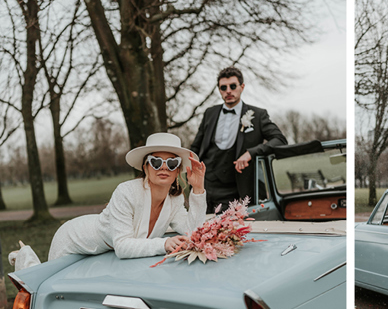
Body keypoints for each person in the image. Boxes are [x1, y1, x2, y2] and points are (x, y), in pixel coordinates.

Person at [10, 133, 207, 270]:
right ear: (146, 167)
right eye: (156, 161)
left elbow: (193, 231)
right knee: (45, 281)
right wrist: (164, 244)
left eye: (172, 163)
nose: (163, 167)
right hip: (74, 239)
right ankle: (23, 257)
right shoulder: (126, 192)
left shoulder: (175, 199)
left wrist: (197, 189)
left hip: (103, 252)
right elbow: (122, 246)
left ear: (178, 170)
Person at [191, 66, 288, 213]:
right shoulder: (209, 113)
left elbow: (279, 139)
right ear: (219, 89)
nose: (228, 91)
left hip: (234, 188)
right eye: (223, 87)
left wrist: (250, 153)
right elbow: (196, 147)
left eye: (233, 86)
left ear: (242, 87)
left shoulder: (258, 115)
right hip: (205, 185)